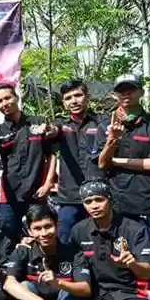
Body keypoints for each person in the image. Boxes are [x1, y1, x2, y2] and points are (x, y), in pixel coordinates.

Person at [95, 74, 150, 300]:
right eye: (121, 90)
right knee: (118, 260)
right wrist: (112, 140)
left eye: (131, 89)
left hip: (147, 203)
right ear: (115, 94)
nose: (126, 94)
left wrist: (116, 160)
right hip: (116, 204)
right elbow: (101, 163)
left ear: (141, 92)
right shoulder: (105, 125)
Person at [71, 179, 150, 300]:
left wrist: (132, 264)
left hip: (131, 292)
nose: (94, 206)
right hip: (101, 294)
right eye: (88, 202)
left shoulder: (135, 229)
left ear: (110, 199)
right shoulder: (79, 230)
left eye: (99, 199)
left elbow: (148, 273)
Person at [0, 82, 57, 245]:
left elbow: (51, 155)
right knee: (8, 236)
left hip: (37, 193)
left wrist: (48, 184)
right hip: (8, 196)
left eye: (8, 98)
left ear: (16, 97)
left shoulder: (38, 122)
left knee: (40, 235)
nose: (5, 103)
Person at [1, 205, 92, 300]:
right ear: (30, 231)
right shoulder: (23, 251)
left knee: (70, 290)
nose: (43, 233)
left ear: (58, 225)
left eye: (48, 226)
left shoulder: (74, 253)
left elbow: (86, 289)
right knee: (24, 286)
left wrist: (58, 283)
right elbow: (8, 283)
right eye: (37, 228)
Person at [51, 79, 105, 244]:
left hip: (100, 196)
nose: (73, 101)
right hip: (70, 197)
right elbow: (52, 131)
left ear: (87, 97)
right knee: (64, 241)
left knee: (101, 241)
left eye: (78, 95)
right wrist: (47, 130)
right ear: (63, 103)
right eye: (68, 98)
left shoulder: (103, 122)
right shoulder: (61, 125)